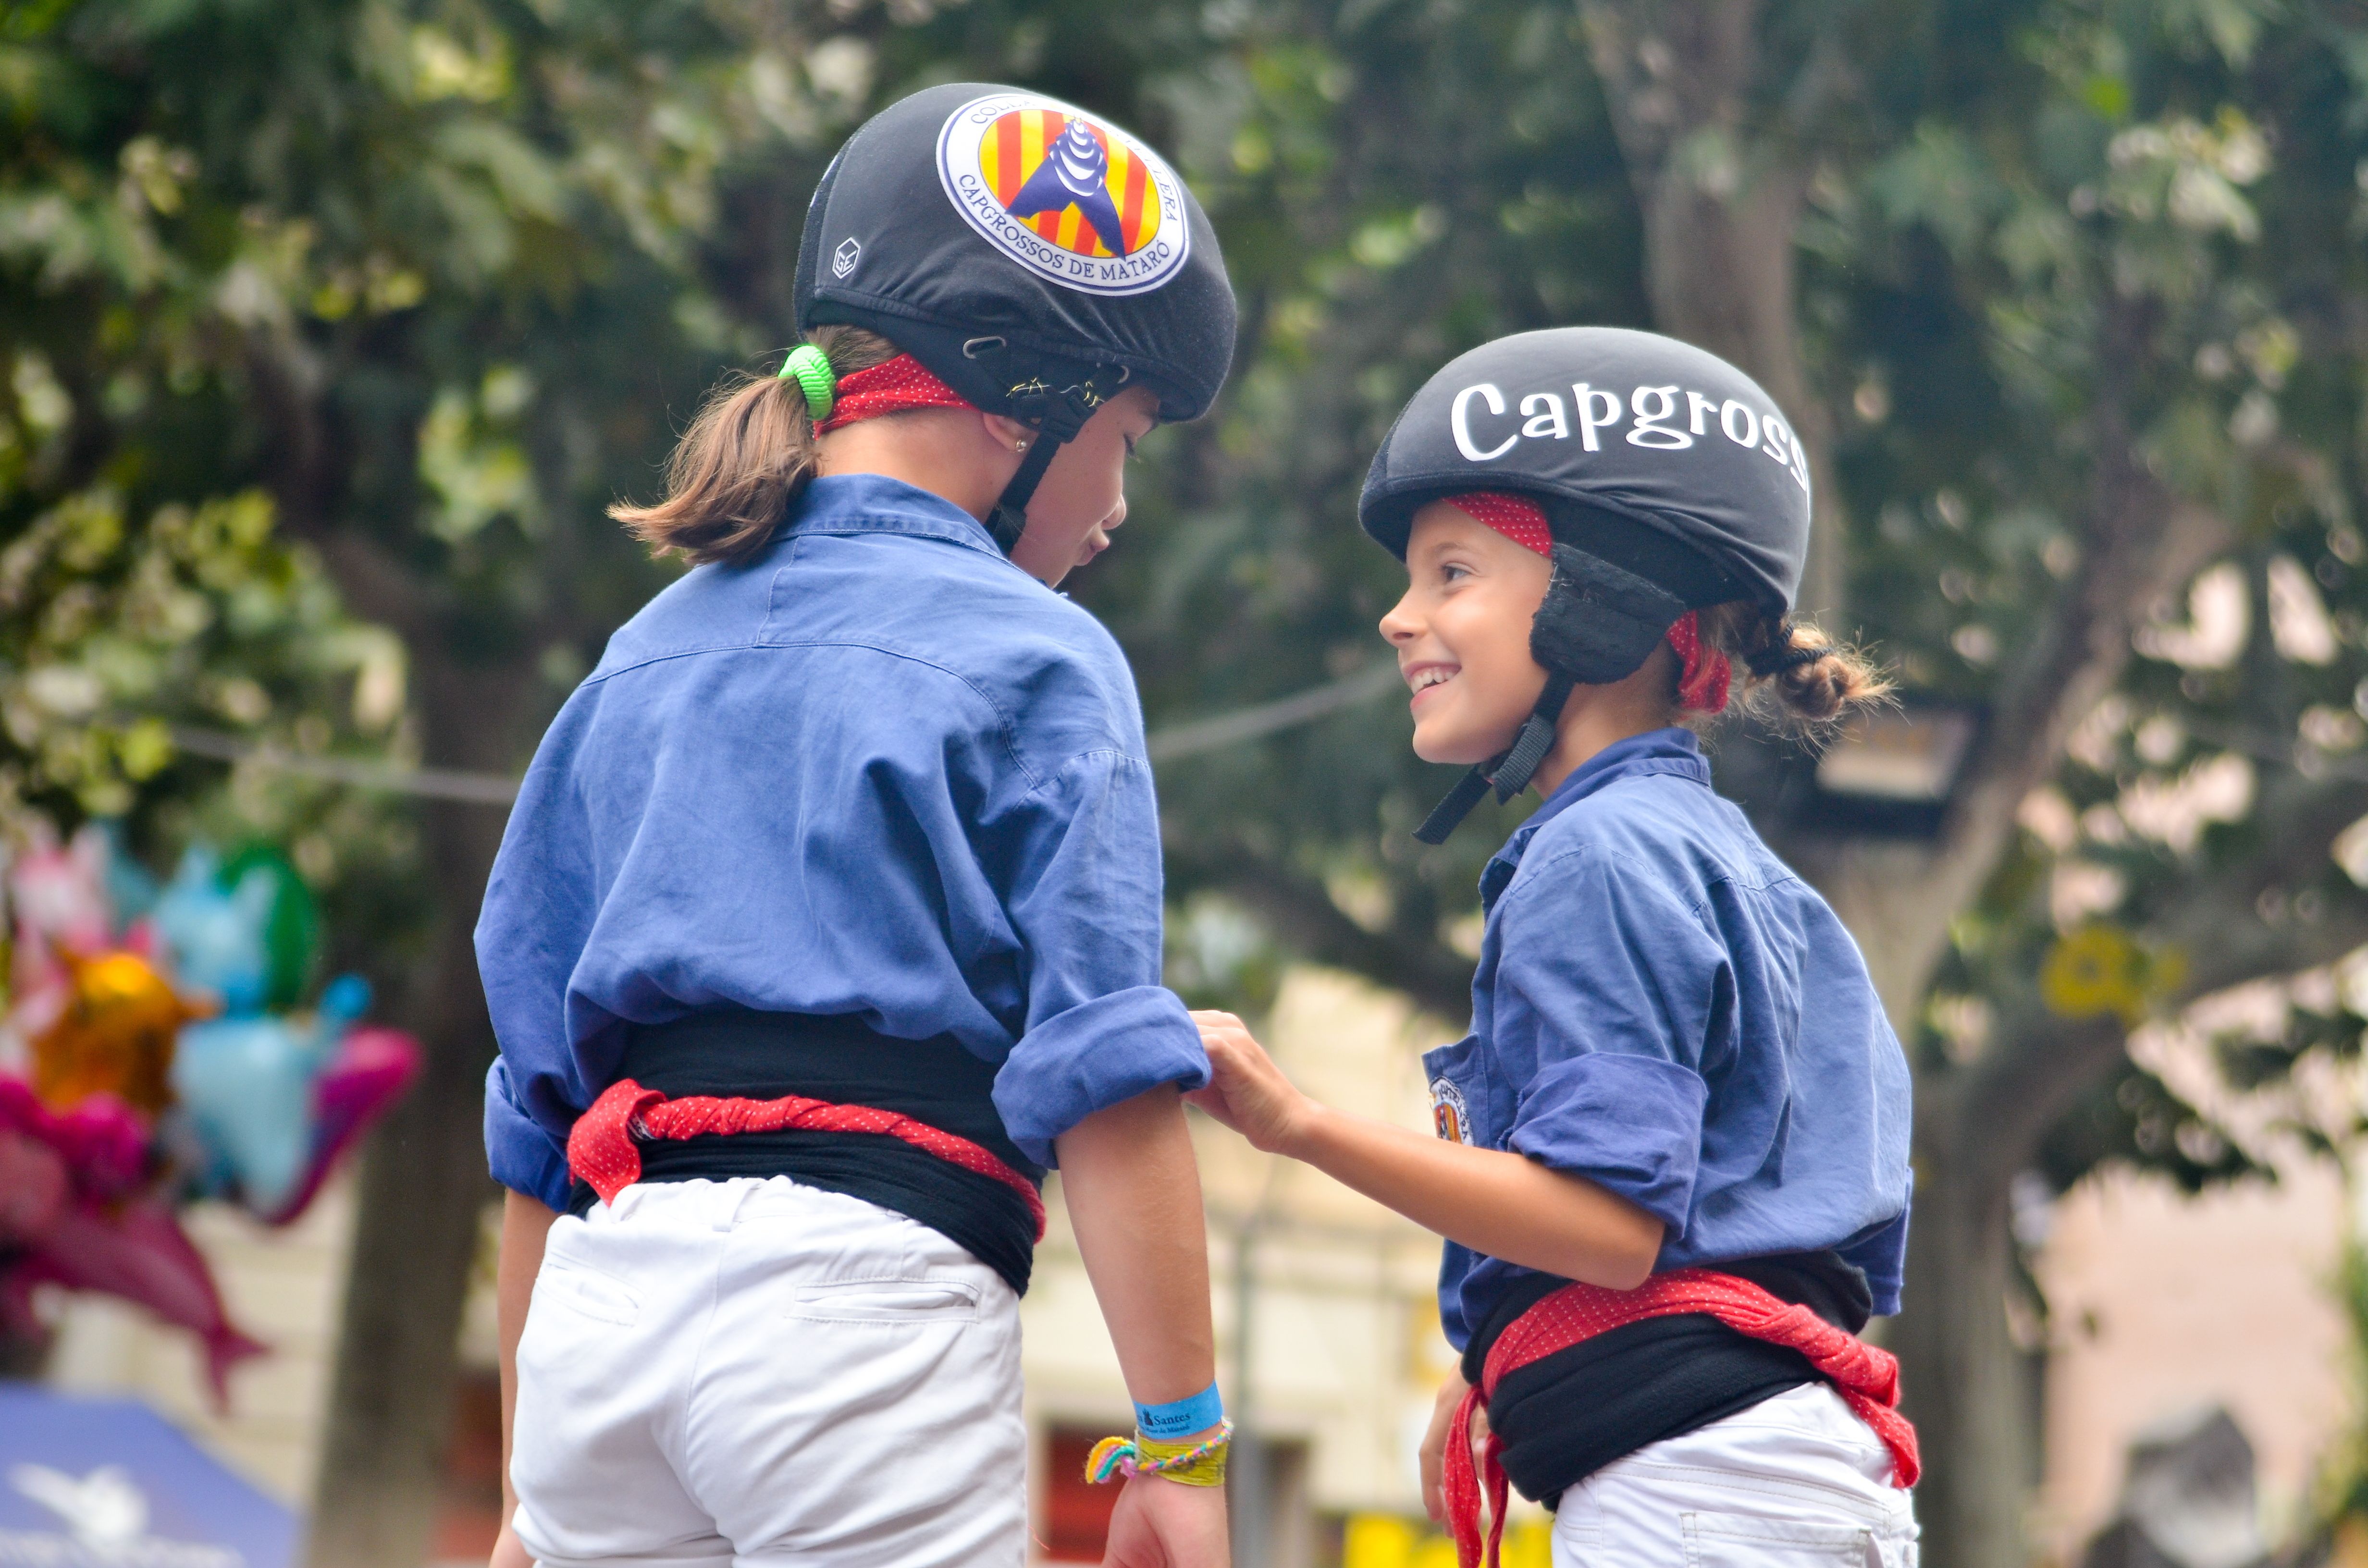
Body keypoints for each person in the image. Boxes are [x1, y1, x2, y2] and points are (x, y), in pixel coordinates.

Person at [474, 83, 1239, 1568]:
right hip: (859, 1307)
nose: (1121, 503)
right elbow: (1105, 1075)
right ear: (1024, 399)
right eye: (1129, 434)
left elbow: (539, 1118)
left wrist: (530, 1495)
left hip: (606, 1306)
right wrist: (1182, 1450)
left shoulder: (644, 653)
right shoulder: (1045, 656)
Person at [1187, 328, 1919, 1568]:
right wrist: (1509, 1358)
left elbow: (1608, 1222)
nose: (1397, 616)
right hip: (1785, 1475)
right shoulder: (1751, 877)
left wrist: (1293, 1122)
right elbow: (1748, 1242)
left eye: (1452, 573)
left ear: (1597, 608)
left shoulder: (1596, 857)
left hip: (1697, 1496)